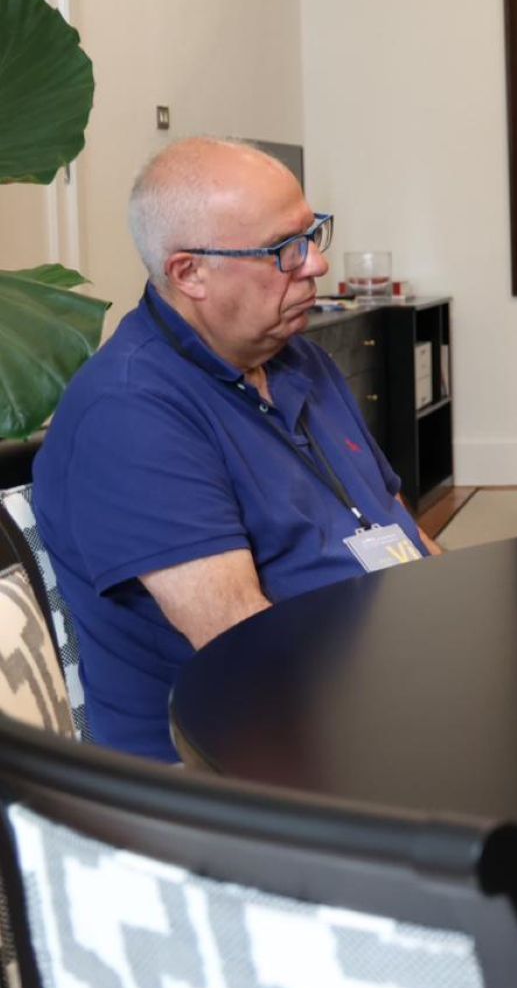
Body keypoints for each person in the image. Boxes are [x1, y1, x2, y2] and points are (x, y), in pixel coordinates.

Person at [32, 138, 440, 762]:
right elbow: (244, 648)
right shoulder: (129, 412)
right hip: (240, 758)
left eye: (313, 234)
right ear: (189, 273)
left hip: (381, 690)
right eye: (284, 249)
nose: (316, 264)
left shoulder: (301, 359)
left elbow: (400, 526)